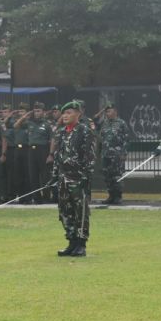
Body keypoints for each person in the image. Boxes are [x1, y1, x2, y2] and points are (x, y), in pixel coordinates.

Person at [53, 101, 95, 257]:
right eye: (64, 113)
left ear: (78, 114)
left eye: (69, 113)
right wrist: (54, 176)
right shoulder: (62, 132)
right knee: (65, 211)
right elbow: (58, 155)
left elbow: (90, 157)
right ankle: (71, 242)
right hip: (63, 178)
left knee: (80, 212)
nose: (65, 116)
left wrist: (86, 177)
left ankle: (81, 244)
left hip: (78, 178)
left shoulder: (84, 131)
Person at [95, 102, 131, 205]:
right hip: (105, 154)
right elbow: (93, 122)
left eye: (109, 111)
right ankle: (110, 196)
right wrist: (100, 112)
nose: (107, 113)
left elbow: (127, 139)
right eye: (106, 111)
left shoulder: (121, 123)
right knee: (107, 176)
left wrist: (124, 153)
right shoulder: (104, 123)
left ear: (115, 111)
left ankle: (118, 197)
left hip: (117, 154)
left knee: (117, 176)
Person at [16, 102, 53, 204]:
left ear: (43, 112)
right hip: (31, 150)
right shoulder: (29, 123)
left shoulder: (47, 124)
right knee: (33, 176)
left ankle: (46, 197)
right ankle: (37, 198)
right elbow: (16, 125)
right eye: (35, 111)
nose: (36, 113)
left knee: (45, 176)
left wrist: (50, 154)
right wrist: (26, 115)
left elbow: (52, 140)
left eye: (38, 111)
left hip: (43, 150)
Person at [4, 103, 30, 203]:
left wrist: (25, 117)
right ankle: (21, 196)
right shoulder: (16, 121)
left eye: (23, 111)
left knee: (27, 174)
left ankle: (27, 197)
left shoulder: (30, 122)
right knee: (18, 174)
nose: (20, 113)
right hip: (17, 149)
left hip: (27, 149)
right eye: (20, 111)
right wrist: (12, 115)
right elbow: (8, 123)